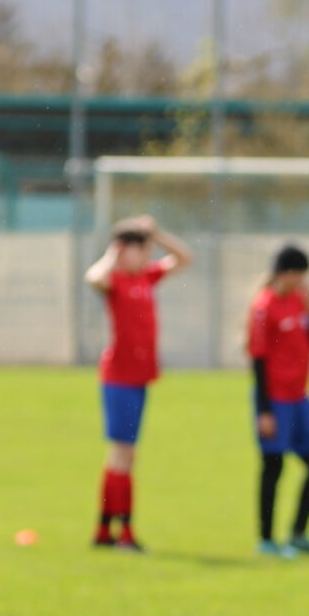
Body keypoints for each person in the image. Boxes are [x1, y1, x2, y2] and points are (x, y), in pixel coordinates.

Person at [84, 213, 193, 551]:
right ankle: (125, 532)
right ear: (123, 249)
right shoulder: (115, 279)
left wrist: (157, 234)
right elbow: (93, 278)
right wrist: (111, 255)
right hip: (119, 379)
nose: (147, 256)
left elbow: (184, 258)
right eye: (141, 249)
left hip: (139, 379)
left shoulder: (146, 276)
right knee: (123, 454)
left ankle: (104, 529)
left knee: (122, 456)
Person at [247, 244, 309, 558]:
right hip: (275, 400)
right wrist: (264, 411)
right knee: (274, 466)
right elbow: (257, 361)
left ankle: (299, 535)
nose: (301, 281)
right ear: (283, 273)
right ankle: (267, 540)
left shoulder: (299, 301)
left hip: (300, 398)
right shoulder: (264, 306)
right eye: (297, 274)